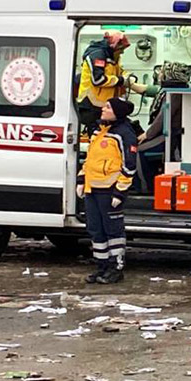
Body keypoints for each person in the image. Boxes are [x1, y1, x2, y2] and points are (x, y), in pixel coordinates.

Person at [77, 97, 138, 284]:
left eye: (108, 106)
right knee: (96, 230)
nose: (103, 109)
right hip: (92, 189)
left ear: (117, 112)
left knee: (113, 231)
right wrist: (81, 179)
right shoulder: (97, 132)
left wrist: (120, 192)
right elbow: (90, 160)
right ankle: (101, 267)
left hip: (109, 190)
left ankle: (115, 268)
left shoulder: (124, 134)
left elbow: (129, 166)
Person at [77, 31, 152, 127]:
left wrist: (128, 77)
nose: (122, 52)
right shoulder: (97, 56)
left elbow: (118, 71)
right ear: (115, 46)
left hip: (105, 106)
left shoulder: (113, 56)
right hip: (92, 107)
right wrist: (121, 81)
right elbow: (98, 80)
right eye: (121, 49)